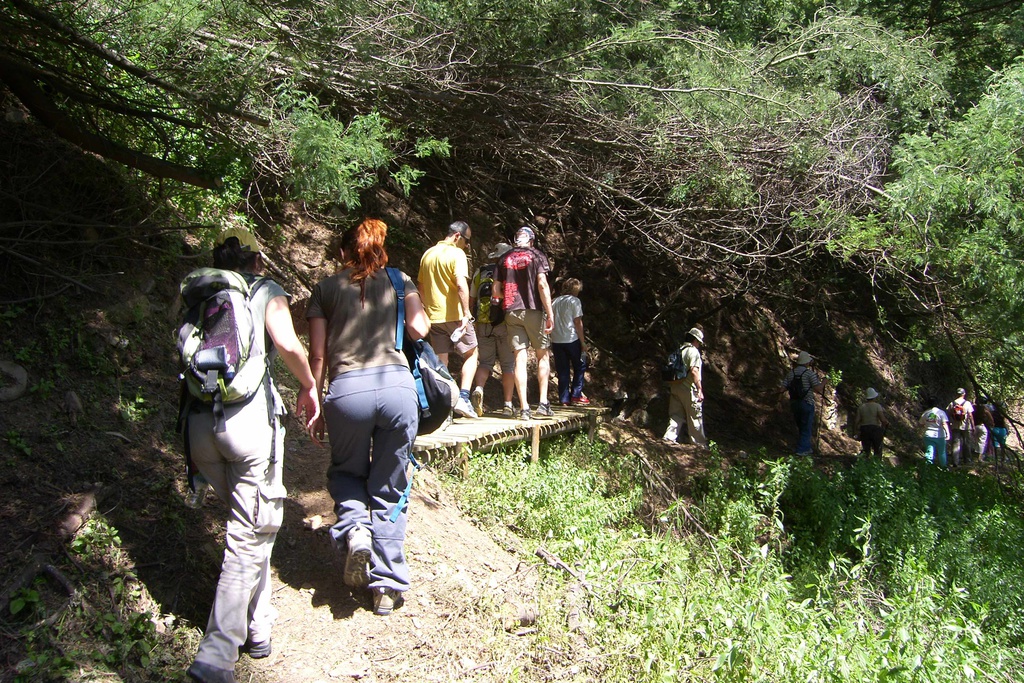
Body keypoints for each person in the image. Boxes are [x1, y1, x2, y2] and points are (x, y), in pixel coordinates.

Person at [185, 228, 320, 683]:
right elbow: (288, 344)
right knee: (250, 532)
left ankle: (258, 626)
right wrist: (308, 385)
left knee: (252, 525)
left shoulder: (200, 291)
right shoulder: (264, 289)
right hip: (247, 423)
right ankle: (217, 655)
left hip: (199, 425)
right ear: (257, 259)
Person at [306, 219, 431, 617]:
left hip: (348, 393)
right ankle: (386, 587)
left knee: (347, 473)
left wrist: (314, 399)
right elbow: (419, 328)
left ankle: (356, 530)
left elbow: (318, 355)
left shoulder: (325, 288)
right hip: (397, 390)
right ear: (379, 250)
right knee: (390, 486)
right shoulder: (399, 280)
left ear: (344, 252)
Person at [417, 220, 479, 419]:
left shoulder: (428, 254)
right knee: (472, 353)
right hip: (455, 315)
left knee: (441, 360)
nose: (467, 246)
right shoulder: (457, 254)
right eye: (467, 241)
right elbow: (461, 284)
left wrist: (427, 309)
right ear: (457, 236)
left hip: (434, 317)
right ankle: (463, 398)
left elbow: (421, 287)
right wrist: (466, 313)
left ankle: (445, 405)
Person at [492, 226, 555, 420]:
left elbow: (495, 291)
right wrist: (550, 313)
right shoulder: (537, 256)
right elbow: (542, 284)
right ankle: (543, 403)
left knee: (519, 358)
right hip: (534, 309)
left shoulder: (504, 258)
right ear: (532, 241)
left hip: (511, 311)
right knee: (542, 355)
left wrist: (508, 298)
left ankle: (524, 407)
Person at [468, 242, 516, 416]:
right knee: (508, 365)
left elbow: (471, 299)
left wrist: (472, 319)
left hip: (483, 322)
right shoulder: (509, 272)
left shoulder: (480, 272)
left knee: (485, 363)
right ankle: (508, 405)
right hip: (504, 323)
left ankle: (479, 389)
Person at [662, 327, 707, 448]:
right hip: (688, 389)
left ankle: (669, 437)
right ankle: (699, 445)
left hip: (675, 386)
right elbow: (694, 371)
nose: (699, 345)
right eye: (699, 342)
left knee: (676, 415)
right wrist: (699, 389)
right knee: (695, 417)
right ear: (695, 340)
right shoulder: (693, 352)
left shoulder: (680, 349)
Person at [550, 278, 590, 406]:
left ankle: (564, 398)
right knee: (580, 365)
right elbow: (577, 322)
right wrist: (583, 342)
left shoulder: (554, 301)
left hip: (556, 340)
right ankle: (576, 395)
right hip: (571, 339)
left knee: (562, 370)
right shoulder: (574, 301)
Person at [781, 351, 824, 456]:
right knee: (806, 427)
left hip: (794, 403)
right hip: (806, 402)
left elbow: (782, 388)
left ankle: (805, 447)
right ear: (807, 362)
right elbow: (817, 388)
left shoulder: (791, 373)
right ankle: (802, 450)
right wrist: (824, 382)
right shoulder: (809, 374)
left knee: (801, 426)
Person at [853, 387, 888, 457]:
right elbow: (883, 420)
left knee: (866, 450)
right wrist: (885, 426)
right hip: (875, 429)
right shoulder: (877, 406)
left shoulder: (861, 407)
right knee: (877, 450)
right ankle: (876, 462)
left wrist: (856, 431)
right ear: (874, 397)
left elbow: (856, 421)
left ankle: (865, 462)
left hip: (864, 429)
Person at [945, 388, 975, 467]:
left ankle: (955, 461)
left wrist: (949, 423)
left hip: (955, 426)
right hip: (966, 426)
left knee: (955, 444)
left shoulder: (952, 403)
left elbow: (948, 414)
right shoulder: (967, 403)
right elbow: (970, 415)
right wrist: (973, 426)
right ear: (964, 394)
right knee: (966, 443)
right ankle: (967, 460)